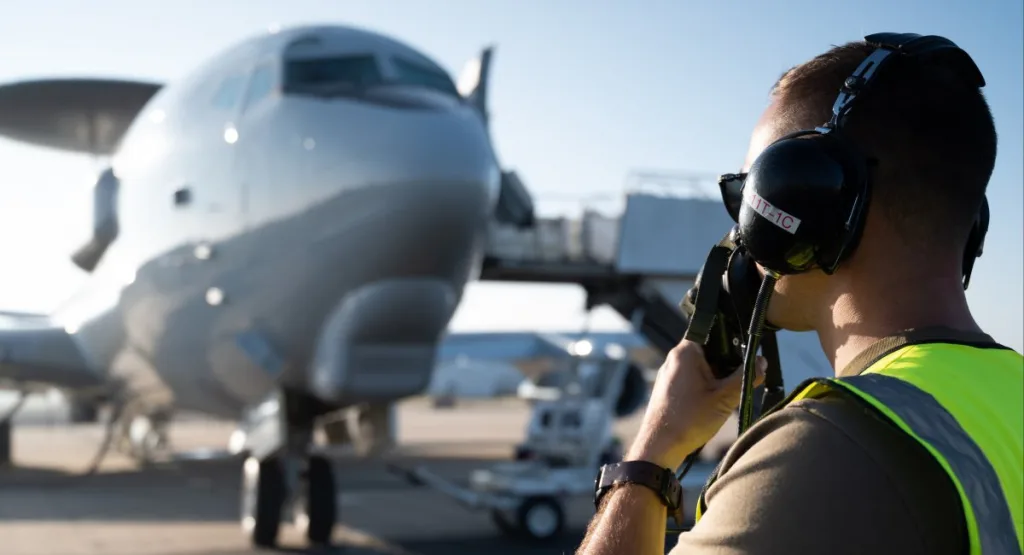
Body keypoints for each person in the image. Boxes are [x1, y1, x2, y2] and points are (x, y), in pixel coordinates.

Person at [576, 34, 1023, 555]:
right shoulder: (1007, 396)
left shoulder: (823, 450)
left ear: (795, 203)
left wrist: (649, 457)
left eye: (750, 192)